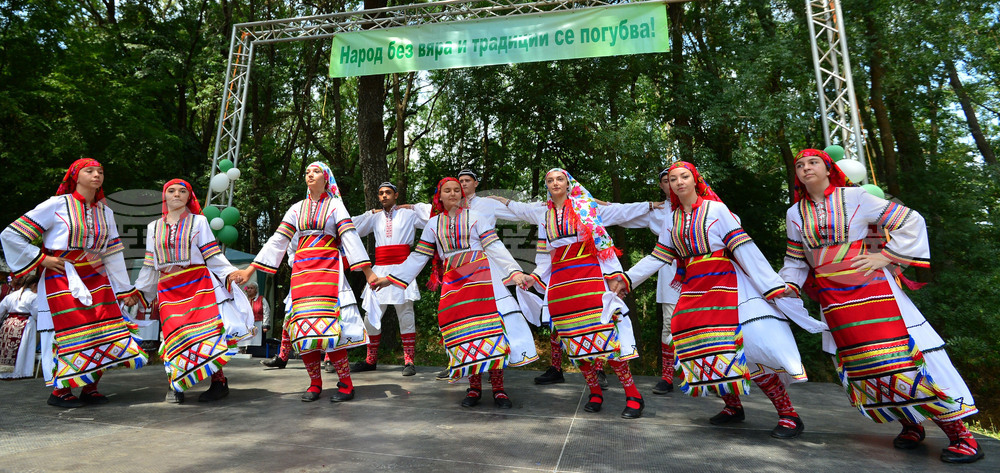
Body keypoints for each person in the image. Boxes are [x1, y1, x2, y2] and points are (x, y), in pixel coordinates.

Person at [780, 149, 981, 462]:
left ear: (829, 169)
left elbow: (910, 220)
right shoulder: (795, 213)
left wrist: (884, 256)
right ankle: (910, 424)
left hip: (874, 291)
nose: (806, 168)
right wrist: (786, 287)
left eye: (813, 162)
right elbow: (795, 259)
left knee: (901, 358)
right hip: (834, 300)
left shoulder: (855, 197)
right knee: (866, 365)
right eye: (800, 165)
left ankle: (961, 436)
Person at [625, 162, 817, 438]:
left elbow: (745, 248)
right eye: (673, 179)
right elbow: (658, 256)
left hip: (728, 285)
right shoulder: (672, 219)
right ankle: (733, 406)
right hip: (694, 288)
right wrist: (627, 279)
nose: (678, 182)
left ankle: (789, 415)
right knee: (702, 348)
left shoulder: (716, 210)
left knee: (749, 349)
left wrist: (772, 285)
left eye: (684, 176)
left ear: (695, 180)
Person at [492, 168, 657, 419]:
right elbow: (544, 256)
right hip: (561, 286)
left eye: (560, 179)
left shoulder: (585, 207)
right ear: (546, 186)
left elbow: (606, 240)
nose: (555, 183)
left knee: (605, 338)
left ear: (568, 184)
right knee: (573, 340)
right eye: (550, 180)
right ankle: (594, 391)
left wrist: (615, 276)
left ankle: (633, 394)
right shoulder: (544, 214)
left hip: (589, 279)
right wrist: (534, 277)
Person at [374, 177, 537, 409]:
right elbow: (419, 257)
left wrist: (515, 272)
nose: (452, 194)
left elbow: (495, 247)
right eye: (447, 190)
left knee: (491, 332)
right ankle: (474, 388)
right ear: (439, 196)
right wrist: (389, 279)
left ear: (462, 194)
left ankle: (499, 389)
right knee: (466, 334)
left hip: (482, 280)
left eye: (456, 190)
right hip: (454, 283)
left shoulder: (476, 217)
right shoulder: (433, 224)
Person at [1, 158, 146, 408]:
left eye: (100, 171)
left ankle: (90, 387)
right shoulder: (57, 204)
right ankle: (61, 391)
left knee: (104, 330)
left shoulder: (106, 212)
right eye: (89, 171)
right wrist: (42, 259)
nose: (97, 175)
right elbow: (11, 234)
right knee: (68, 330)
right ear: (75, 176)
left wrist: (125, 289)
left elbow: (112, 253)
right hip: (63, 275)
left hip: (97, 276)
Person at [230, 162, 377, 402]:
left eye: (315, 171)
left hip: (329, 272)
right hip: (302, 274)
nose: (310, 174)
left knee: (330, 329)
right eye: (307, 172)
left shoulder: (335, 205)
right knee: (303, 330)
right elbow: (278, 240)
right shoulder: (297, 208)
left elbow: (350, 237)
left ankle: (346, 384)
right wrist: (250, 270)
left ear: (326, 178)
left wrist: (368, 273)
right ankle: (314, 383)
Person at [134, 179, 251, 403]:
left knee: (206, 333)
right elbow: (150, 264)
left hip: (197, 285)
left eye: (182, 191)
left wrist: (229, 273)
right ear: (164, 196)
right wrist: (139, 292)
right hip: (168, 288)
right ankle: (175, 385)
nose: (176, 194)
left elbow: (212, 254)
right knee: (173, 336)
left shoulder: (199, 221)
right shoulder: (153, 227)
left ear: (189, 197)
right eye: (171, 191)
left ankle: (219, 382)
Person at [614, 168, 682, 394]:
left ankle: (707, 375)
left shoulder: (705, 206)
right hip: (669, 272)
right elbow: (619, 214)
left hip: (701, 274)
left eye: (679, 178)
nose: (673, 183)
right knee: (669, 326)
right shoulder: (659, 211)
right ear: (662, 185)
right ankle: (667, 378)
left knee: (704, 323)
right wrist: (584, 202)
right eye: (667, 180)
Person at [351, 182, 427, 376]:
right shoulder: (375, 217)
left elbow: (433, 216)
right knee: (371, 314)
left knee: (406, 315)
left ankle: (409, 361)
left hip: (403, 269)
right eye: (381, 193)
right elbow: (351, 226)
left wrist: (412, 206)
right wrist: (370, 213)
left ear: (396, 195)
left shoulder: (409, 214)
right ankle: (370, 360)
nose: (384, 196)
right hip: (379, 270)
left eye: (388, 192)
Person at [0, 273, 40, 379]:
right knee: (22, 350)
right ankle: (19, 373)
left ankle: (5, 373)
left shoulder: (11, 296)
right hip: (25, 324)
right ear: (34, 285)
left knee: (7, 349)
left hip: (8, 324)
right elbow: (37, 314)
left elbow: (0, 310)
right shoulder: (34, 297)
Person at [243, 282, 270, 348]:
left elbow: (266, 312)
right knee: (245, 343)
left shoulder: (261, 299)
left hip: (258, 324)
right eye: (248, 288)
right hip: (245, 325)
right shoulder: (244, 300)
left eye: (251, 288)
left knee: (257, 345)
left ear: (256, 290)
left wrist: (265, 325)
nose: (249, 290)